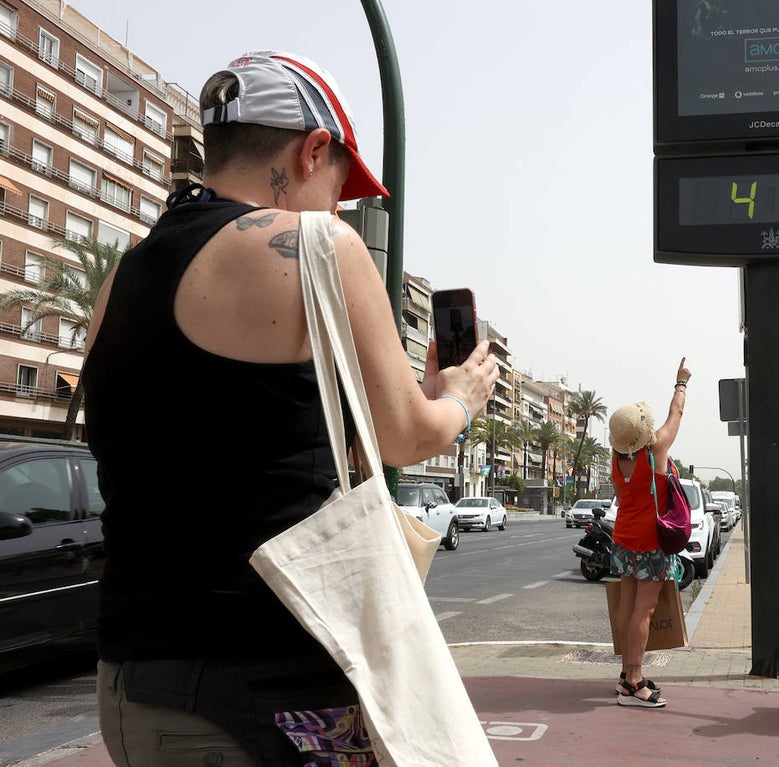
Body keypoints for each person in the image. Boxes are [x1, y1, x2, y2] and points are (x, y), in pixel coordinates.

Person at [82, 51, 499, 766]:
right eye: (341, 185)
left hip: (132, 686)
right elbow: (408, 436)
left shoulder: (124, 273)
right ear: (311, 152)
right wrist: (458, 397)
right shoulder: (318, 247)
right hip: (267, 690)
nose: (339, 207)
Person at [606, 357, 691, 708]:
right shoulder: (655, 451)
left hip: (623, 539)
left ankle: (626, 675)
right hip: (651, 542)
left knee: (628, 607)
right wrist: (681, 382)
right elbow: (676, 415)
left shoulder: (616, 458)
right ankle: (635, 681)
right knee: (644, 610)